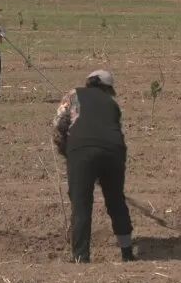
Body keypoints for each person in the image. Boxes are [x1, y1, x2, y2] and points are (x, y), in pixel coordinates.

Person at [52, 70, 136, 263]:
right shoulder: (112, 104)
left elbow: (58, 127)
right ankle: (127, 253)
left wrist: (70, 156)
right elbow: (112, 132)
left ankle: (81, 256)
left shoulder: (73, 94)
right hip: (114, 151)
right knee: (116, 201)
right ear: (108, 89)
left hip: (81, 150)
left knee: (81, 203)